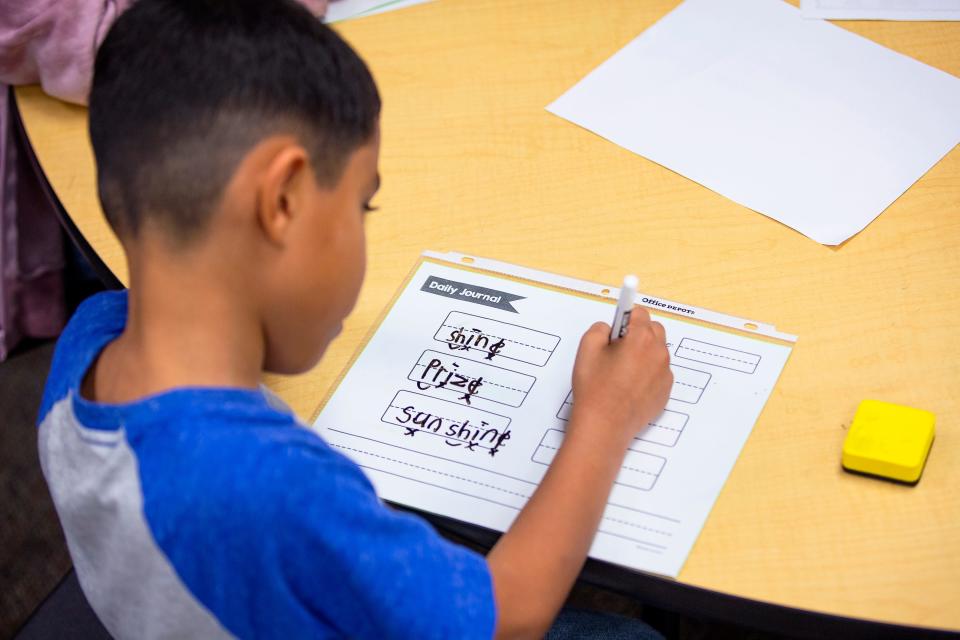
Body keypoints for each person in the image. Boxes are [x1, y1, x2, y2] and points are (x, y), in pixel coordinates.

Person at [37, 0, 673, 637]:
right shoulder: (272, 487)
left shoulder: (89, 340)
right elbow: (506, 616)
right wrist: (606, 417)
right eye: (361, 205)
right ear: (282, 201)